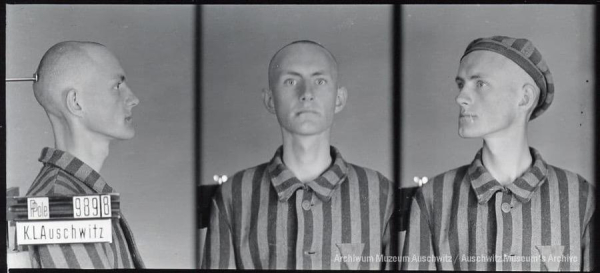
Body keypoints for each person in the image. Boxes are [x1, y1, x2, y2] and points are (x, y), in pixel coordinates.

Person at [402, 36, 595, 271]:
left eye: (480, 84)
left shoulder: (581, 197)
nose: (460, 97)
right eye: (461, 84)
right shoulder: (433, 197)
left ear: (525, 98)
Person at [202, 40, 394, 270]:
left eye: (320, 81)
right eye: (290, 81)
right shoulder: (233, 194)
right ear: (270, 100)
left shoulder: (381, 193)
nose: (306, 94)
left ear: (339, 98)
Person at [25, 41, 144, 268]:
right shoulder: (64, 206)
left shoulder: (78, 194)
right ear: (76, 102)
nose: (133, 99)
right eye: (117, 87)